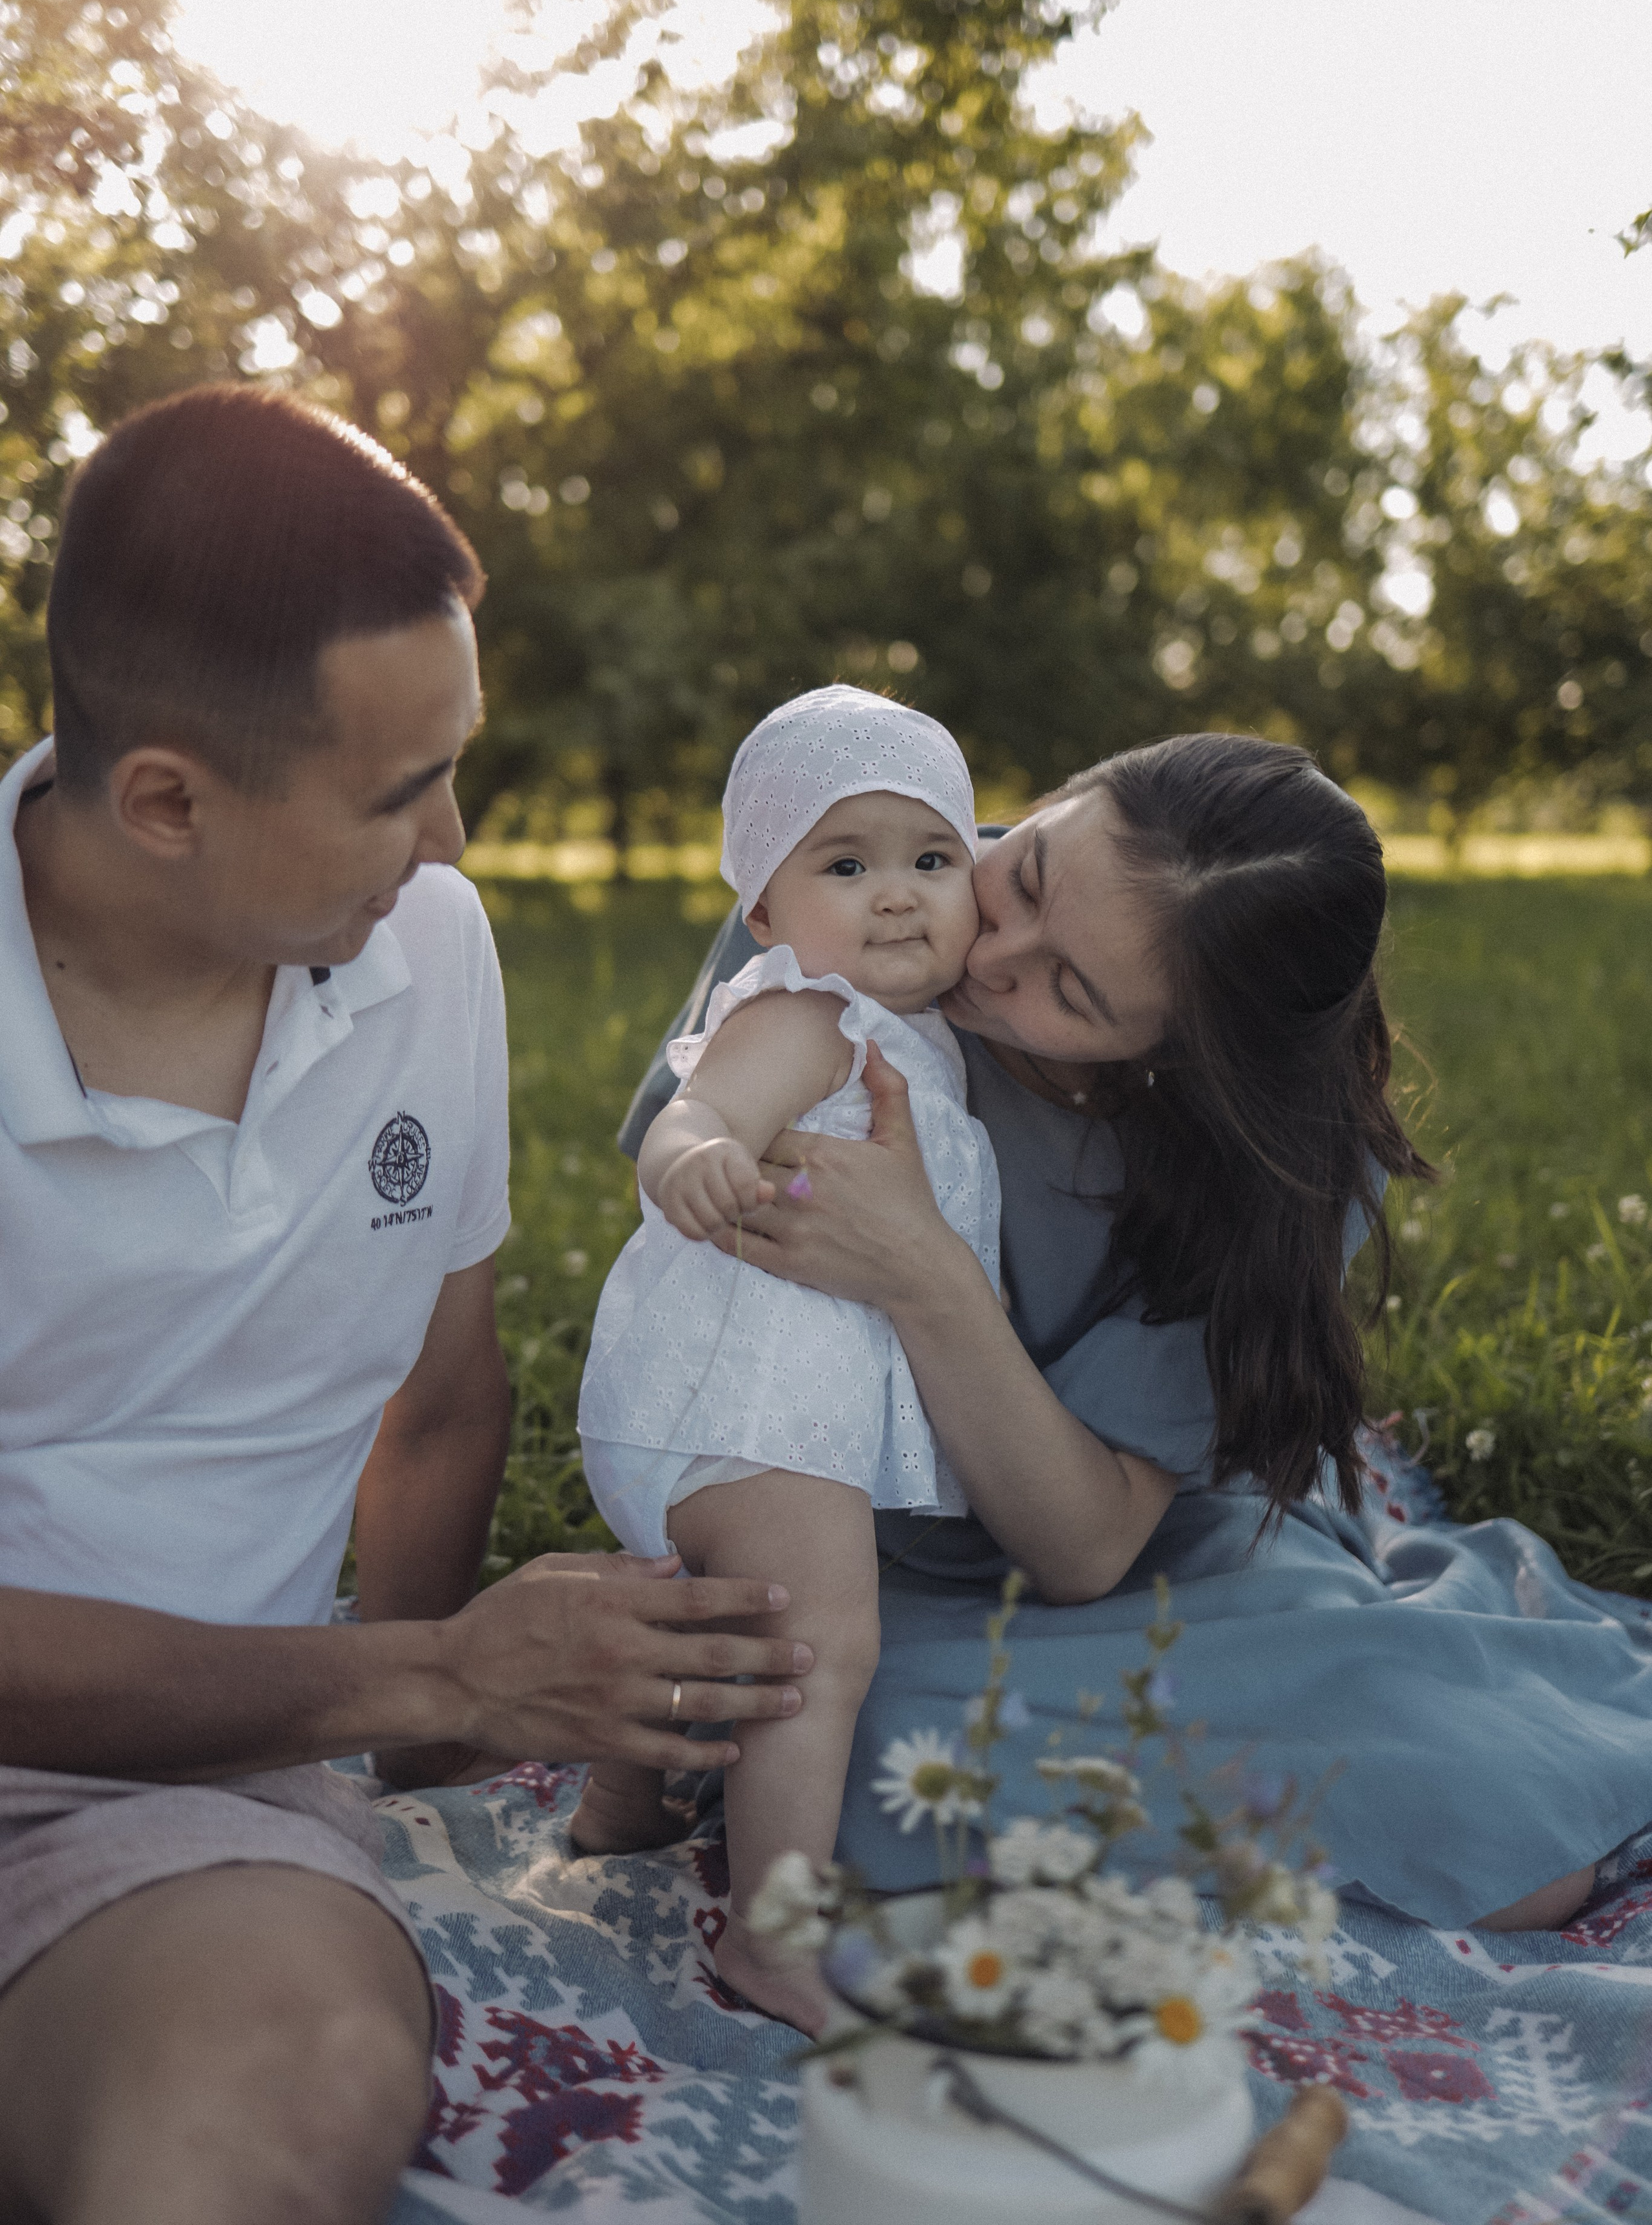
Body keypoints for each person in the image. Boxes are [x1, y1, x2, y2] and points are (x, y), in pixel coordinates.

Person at [0, 385, 815, 2225]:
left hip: (182, 1820)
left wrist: (443, 1736)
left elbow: (440, 1401)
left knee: (279, 2099)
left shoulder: (424, 952)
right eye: (396, 790)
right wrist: (430, 1670)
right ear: (164, 803)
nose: (450, 840)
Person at [622, 730, 1652, 1936]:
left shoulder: (1274, 1177)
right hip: (836, 1535)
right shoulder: (848, 873)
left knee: (1507, 1845)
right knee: (828, 1732)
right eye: (1034, 871)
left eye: (1073, 993)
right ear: (1062, 788)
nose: (988, 952)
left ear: (1175, 1054)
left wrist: (927, 1275)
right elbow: (700, 1232)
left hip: (1121, 1553)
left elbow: (1086, 1547)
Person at [575, 686, 999, 2031]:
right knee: (821, 1649)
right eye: (844, 862)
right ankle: (772, 1941)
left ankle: (617, 1809)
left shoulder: (923, 1041)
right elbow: (693, 1107)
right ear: (760, 912)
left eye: (931, 860)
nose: (894, 897)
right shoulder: (807, 1012)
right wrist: (692, 1157)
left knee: (708, 1629)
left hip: (752, 1412)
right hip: (741, 1403)